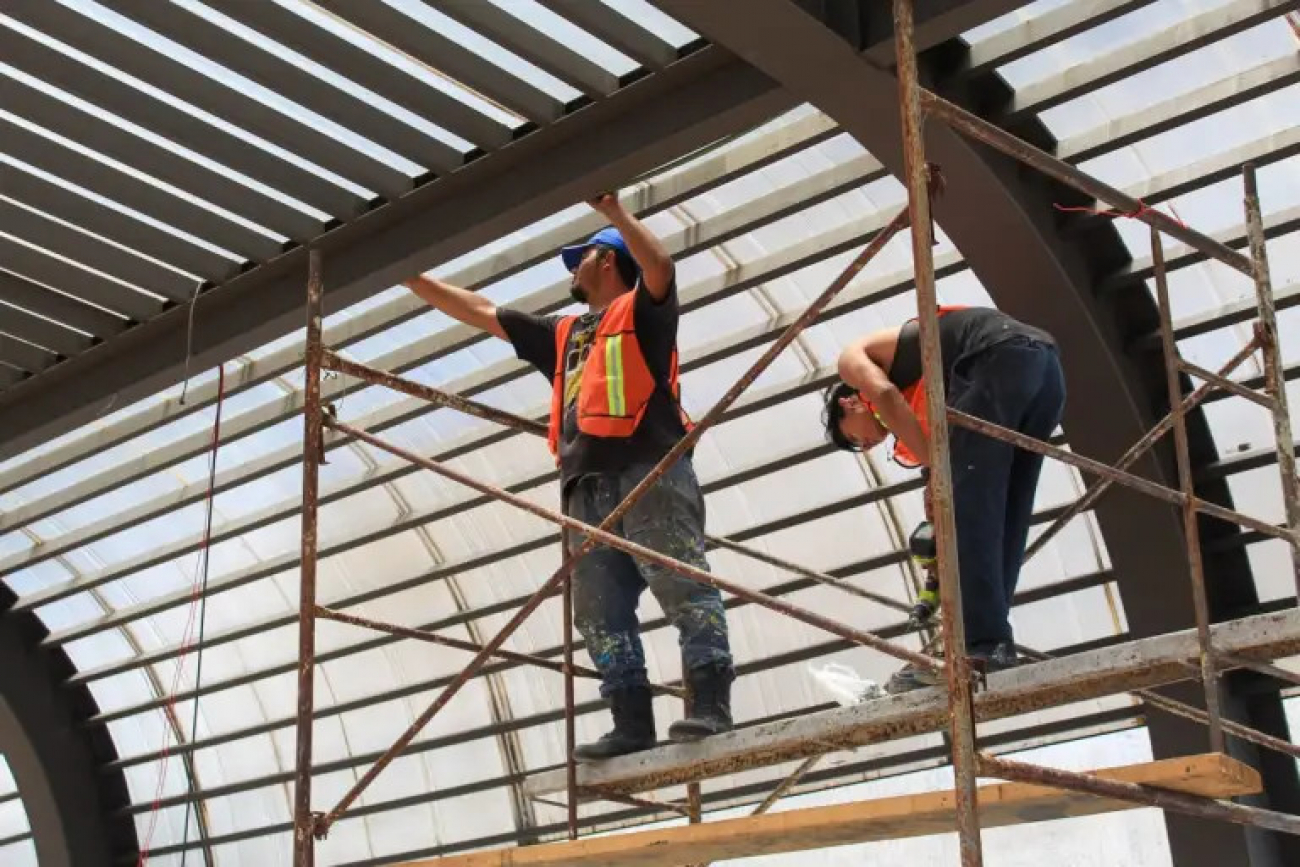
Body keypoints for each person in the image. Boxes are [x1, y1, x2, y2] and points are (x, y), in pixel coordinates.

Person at [403, 193, 734, 760]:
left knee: (681, 582)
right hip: (585, 485)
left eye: (579, 259)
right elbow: (481, 311)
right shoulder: (563, 334)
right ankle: (630, 719)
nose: (573, 271)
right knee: (599, 609)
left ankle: (710, 705)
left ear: (605, 260)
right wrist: (409, 277)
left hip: (648, 466)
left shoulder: (643, 310)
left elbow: (660, 268)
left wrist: (615, 213)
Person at [822, 305, 1065, 692]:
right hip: (1045, 370)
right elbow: (940, 457)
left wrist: (939, 471)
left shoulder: (852, 363)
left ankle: (981, 645)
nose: (866, 444)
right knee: (1004, 513)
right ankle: (993, 640)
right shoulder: (925, 387)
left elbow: (884, 394)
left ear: (848, 403)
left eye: (854, 438)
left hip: (996, 357)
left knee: (967, 515)